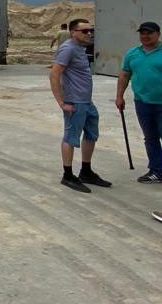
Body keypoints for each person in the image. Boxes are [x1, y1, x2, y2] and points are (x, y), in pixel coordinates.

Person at [49, 18, 112, 192]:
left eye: (91, 30)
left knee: (91, 134)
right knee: (71, 136)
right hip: (74, 101)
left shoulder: (80, 48)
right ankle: (67, 175)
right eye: (84, 31)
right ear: (73, 32)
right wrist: (62, 103)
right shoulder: (68, 48)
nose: (89, 34)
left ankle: (86, 171)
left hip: (86, 101)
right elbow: (54, 75)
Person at [115, 22, 162, 212]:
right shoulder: (132, 53)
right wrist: (119, 96)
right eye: (142, 33)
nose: (145, 36)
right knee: (150, 138)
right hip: (142, 102)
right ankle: (157, 170)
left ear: (158, 34)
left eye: (149, 33)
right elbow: (124, 75)